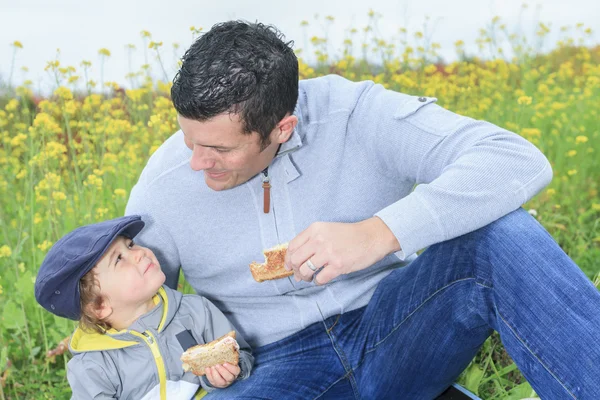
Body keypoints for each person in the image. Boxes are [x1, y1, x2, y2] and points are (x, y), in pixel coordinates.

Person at [125, 20, 600, 399]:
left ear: (282, 128)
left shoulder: (358, 114)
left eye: (219, 150)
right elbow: (129, 305)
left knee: (503, 237)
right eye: (189, 140)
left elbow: (515, 160)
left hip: (393, 328)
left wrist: (380, 232)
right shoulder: (165, 181)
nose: (197, 162)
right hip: (266, 367)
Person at [34, 215, 254, 400]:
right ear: (100, 306)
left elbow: (239, 353)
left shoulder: (195, 311)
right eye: (119, 259)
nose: (139, 253)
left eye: (130, 245)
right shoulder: (93, 365)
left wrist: (225, 373)